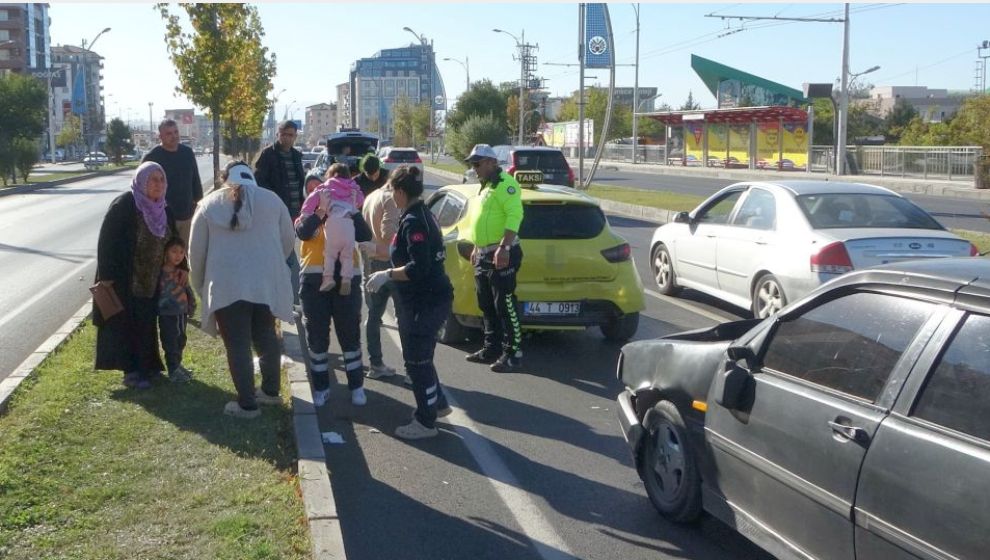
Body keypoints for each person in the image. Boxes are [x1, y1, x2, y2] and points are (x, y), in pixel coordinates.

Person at [188, 161, 295, 419]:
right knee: (266, 335)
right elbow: (288, 241)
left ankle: (247, 405)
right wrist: (270, 262)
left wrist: (202, 286)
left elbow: (195, 254)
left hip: (226, 285)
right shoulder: (273, 200)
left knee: (237, 344)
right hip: (265, 283)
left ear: (224, 178)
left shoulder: (208, 205)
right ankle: (270, 392)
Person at [365, 165, 453, 440]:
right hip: (426, 298)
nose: (391, 196)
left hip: (424, 301)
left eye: (392, 191)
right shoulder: (421, 213)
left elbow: (419, 267)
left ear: (402, 192)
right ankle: (436, 404)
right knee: (421, 357)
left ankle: (426, 422)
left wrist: (387, 274)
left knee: (417, 362)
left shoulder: (415, 220)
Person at [94, 161, 180, 390]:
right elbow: (106, 242)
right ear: (141, 181)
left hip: (152, 279)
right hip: (124, 278)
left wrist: (182, 269)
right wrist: (107, 276)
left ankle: (148, 367)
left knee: (146, 323)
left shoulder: (164, 209)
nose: (158, 184)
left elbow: (175, 243)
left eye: (161, 179)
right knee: (127, 324)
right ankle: (131, 371)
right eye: (153, 179)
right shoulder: (125, 204)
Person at [296, 169, 374, 408]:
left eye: (321, 187)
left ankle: (357, 387)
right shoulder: (306, 214)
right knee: (317, 337)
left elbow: (364, 235)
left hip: (346, 278)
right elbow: (303, 232)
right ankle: (321, 388)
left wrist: (352, 210)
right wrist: (320, 211)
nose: (322, 193)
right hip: (313, 281)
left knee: (349, 334)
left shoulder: (349, 211)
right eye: (313, 190)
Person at [461, 144, 525, 373]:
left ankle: (513, 353)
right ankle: (491, 348)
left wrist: (504, 247)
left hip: (502, 253)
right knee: (486, 303)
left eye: (477, 164)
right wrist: (477, 248)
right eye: (472, 164)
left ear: (491, 163)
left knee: (505, 304)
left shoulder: (505, 185)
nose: (474, 168)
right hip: (484, 254)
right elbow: (483, 220)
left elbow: (515, 216)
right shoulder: (485, 186)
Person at [253, 120, 306, 303]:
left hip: (294, 211)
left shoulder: (297, 156)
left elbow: (300, 183)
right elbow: (259, 182)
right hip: (275, 212)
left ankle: (285, 291)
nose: (287, 138)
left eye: (291, 135)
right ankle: (291, 293)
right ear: (278, 134)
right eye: (284, 134)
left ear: (295, 136)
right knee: (285, 251)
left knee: (286, 249)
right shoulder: (268, 155)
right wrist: (272, 201)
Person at [360, 159, 402, 379]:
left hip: (370, 259)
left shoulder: (371, 197)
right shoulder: (391, 200)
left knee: (374, 315)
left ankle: (375, 364)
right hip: (387, 260)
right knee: (402, 315)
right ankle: (412, 368)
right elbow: (388, 232)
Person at [299, 163, 365, 294]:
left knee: (329, 254)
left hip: (333, 229)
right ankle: (345, 279)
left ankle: (329, 279)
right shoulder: (352, 189)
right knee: (346, 254)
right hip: (347, 227)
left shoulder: (325, 189)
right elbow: (303, 232)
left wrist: (308, 212)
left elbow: (365, 235)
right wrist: (353, 208)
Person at [142, 119, 203, 245]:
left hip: (187, 216)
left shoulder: (187, 153)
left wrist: (199, 205)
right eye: (169, 133)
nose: (174, 136)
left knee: (184, 257)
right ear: (160, 136)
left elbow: (195, 181)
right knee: (164, 258)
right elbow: (141, 188)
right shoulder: (152, 157)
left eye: (176, 132)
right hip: (161, 220)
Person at [158, 237, 196, 383]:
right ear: (166, 253)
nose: (178, 255)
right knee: (170, 340)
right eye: (174, 251)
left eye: (181, 252)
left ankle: (178, 365)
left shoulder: (181, 272)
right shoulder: (160, 273)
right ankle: (173, 369)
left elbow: (187, 290)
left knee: (181, 338)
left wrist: (191, 305)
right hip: (167, 314)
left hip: (181, 312)